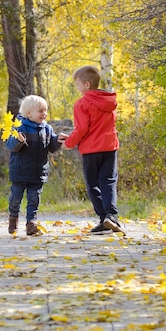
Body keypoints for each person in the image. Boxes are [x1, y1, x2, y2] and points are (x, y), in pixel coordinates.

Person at [58, 65, 126, 235]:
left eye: (78, 85)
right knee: (108, 181)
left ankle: (104, 218)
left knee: (93, 185)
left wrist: (69, 143)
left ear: (87, 85)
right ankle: (112, 216)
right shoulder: (109, 102)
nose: (78, 88)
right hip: (110, 147)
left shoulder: (82, 103)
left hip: (91, 151)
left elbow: (82, 129)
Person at [6, 95, 62, 236]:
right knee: (16, 198)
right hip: (20, 171)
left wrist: (59, 141)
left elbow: (52, 146)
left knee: (34, 199)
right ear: (29, 113)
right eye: (40, 111)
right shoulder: (19, 127)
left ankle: (31, 223)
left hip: (38, 172)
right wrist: (18, 140)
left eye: (46, 110)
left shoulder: (47, 129)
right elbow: (11, 146)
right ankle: (13, 218)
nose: (44, 114)